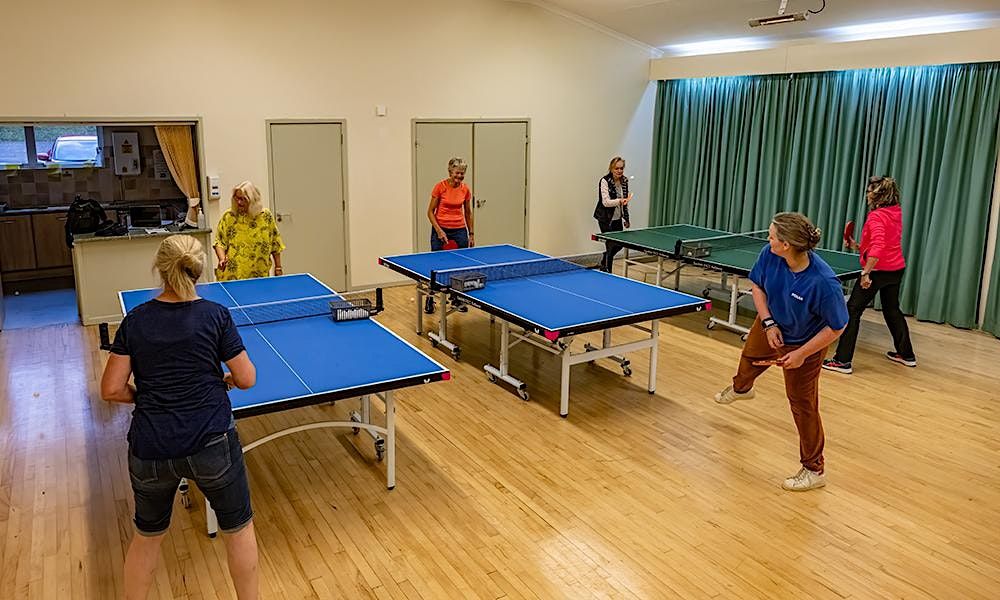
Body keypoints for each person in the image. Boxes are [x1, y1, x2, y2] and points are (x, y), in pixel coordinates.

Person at [101, 235, 260, 599]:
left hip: (151, 447)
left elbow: (110, 389)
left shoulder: (137, 320)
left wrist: (147, 395)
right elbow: (248, 379)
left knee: (147, 537)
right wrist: (228, 379)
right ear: (199, 269)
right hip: (211, 442)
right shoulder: (216, 316)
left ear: (160, 268)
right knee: (238, 529)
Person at [714, 213, 848, 492]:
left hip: (806, 343)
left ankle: (814, 469)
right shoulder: (770, 254)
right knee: (749, 359)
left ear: (786, 244)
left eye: (772, 235)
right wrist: (768, 322)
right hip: (772, 323)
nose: (768, 238)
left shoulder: (823, 283)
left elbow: (837, 326)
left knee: (802, 404)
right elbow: (758, 286)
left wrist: (801, 353)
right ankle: (741, 389)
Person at [823, 176, 916, 374]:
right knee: (892, 310)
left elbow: (880, 246)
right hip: (896, 268)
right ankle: (906, 354)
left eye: (869, 192)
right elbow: (883, 242)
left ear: (879, 196)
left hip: (878, 271)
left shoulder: (876, 216)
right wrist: (858, 245)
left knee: (852, 311)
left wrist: (866, 273)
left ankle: (842, 361)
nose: (867, 195)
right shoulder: (895, 213)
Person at [425, 157, 475, 314]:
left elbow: (468, 212)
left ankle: (456, 299)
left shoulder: (465, 189)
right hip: (440, 228)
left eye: (462, 174)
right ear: (450, 172)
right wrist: (439, 230)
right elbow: (430, 212)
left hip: (459, 229)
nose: (459, 177)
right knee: (437, 266)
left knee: (460, 266)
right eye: (457, 173)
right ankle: (430, 299)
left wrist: (471, 233)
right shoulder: (440, 187)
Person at [214, 181, 285, 281]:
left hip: (259, 275)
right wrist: (221, 259)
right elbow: (219, 242)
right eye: (237, 198)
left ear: (253, 200)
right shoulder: (229, 216)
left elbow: (275, 244)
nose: (239, 202)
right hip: (233, 275)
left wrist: (278, 267)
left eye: (243, 199)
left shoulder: (265, 216)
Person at [593, 156, 632, 272]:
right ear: (611, 168)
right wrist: (619, 201)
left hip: (617, 218)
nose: (619, 171)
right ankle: (608, 271)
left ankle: (605, 258)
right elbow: (606, 202)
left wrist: (626, 218)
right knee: (610, 246)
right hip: (605, 218)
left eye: (621, 168)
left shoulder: (624, 181)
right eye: (616, 168)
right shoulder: (604, 181)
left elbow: (625, 201)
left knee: (619, 244)